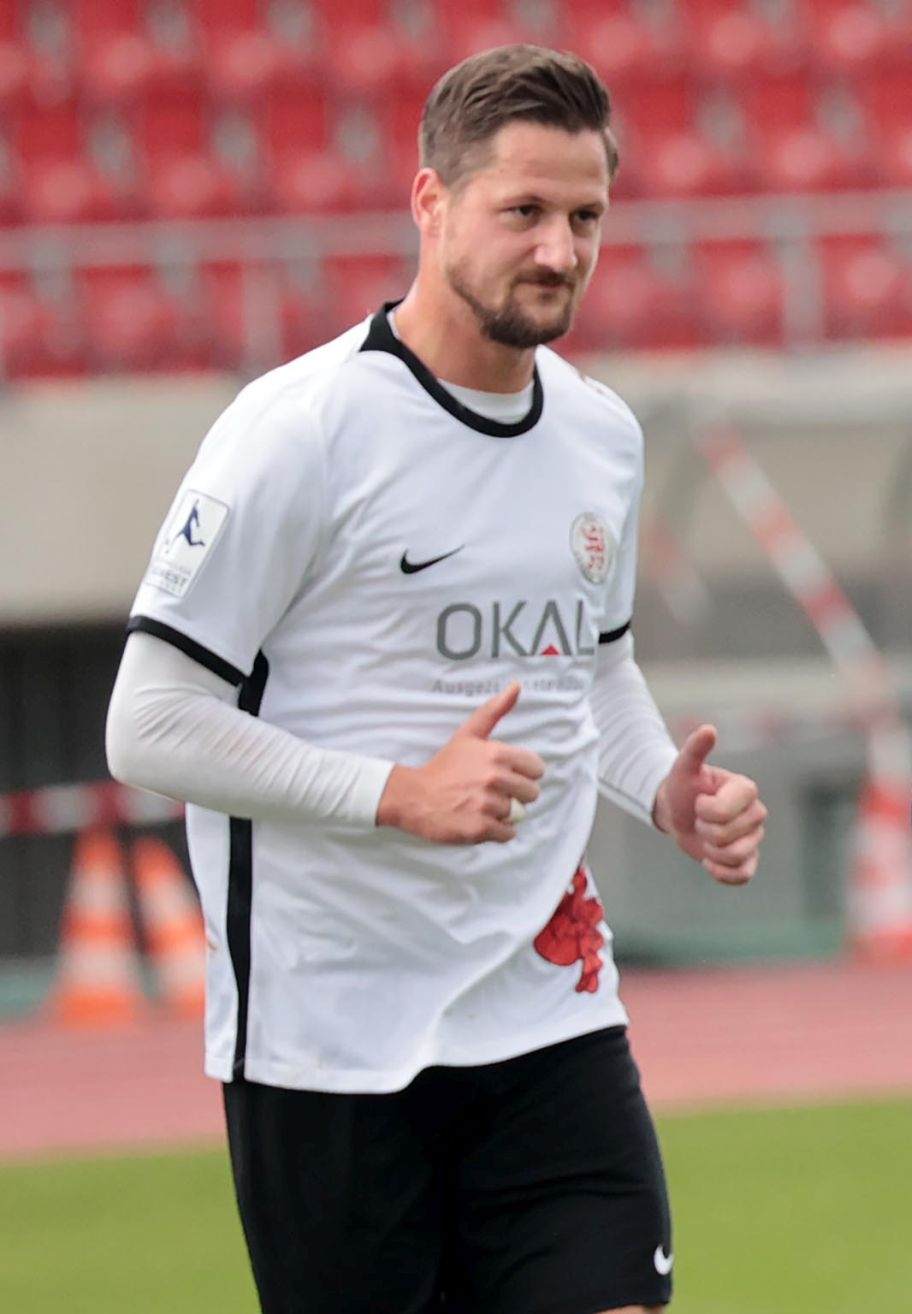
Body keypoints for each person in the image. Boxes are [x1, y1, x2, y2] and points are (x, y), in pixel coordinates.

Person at [103, 46, 767, 1314]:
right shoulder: (299, 431)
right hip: (328, 1041)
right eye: (524, 211)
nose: (560, 251)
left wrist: (660, 792)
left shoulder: (601, 434)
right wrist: (399, 791)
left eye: (586, 218)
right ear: (431, 202)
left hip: (549, 1015)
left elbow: (596, 672)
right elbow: (149, 722)